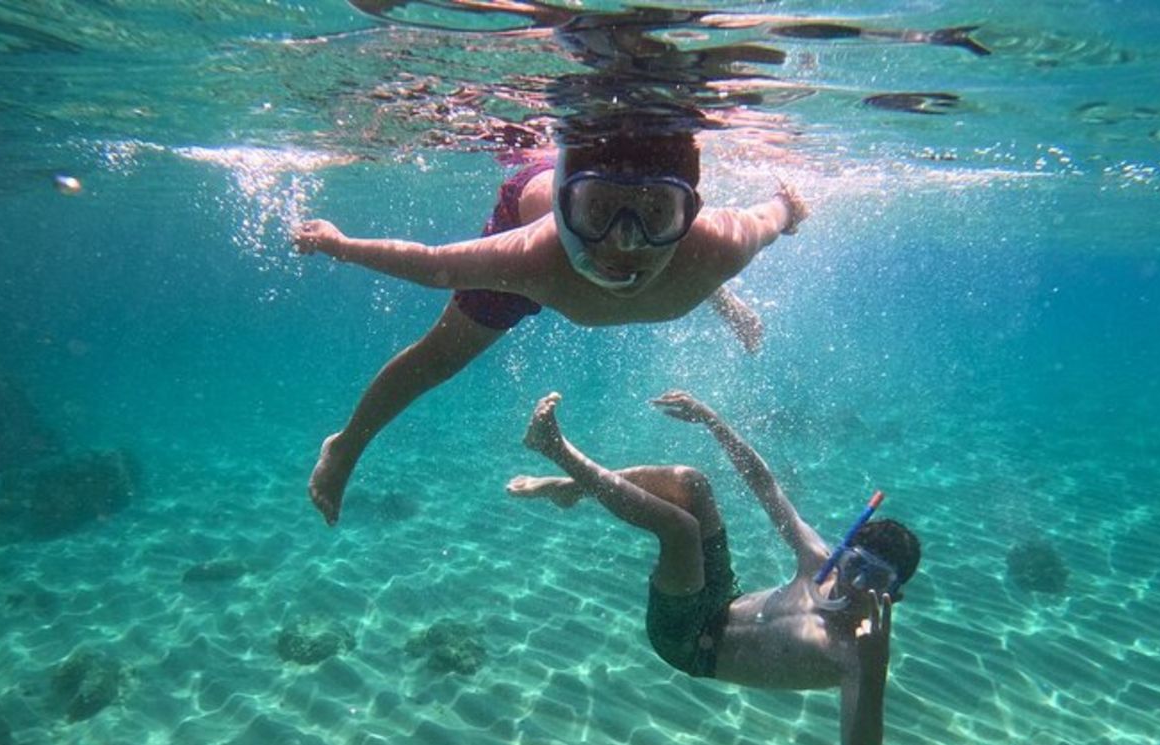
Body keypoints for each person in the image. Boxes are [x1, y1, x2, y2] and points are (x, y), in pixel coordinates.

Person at [294, 128, 808, 525]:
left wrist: (789, 207)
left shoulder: (718, 245)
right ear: (568, 209)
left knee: (675, 257)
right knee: (440, 357)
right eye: (598, 212)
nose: (624, 243)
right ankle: (345, 447)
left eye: (657, 214)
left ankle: (664, 246)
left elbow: (774, 215)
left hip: (646, 236)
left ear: (689, 213)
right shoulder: (531, 258)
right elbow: (434, 264)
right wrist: (342, 245)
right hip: (534, 210)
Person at [506, 389, 921, 745]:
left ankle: (555, 448)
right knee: (691, 482)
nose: (857, 583)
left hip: (687, 642)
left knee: (680, 529)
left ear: (893, 596)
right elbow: (766, 486)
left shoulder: (857, 655)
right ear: (843, 549)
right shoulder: (818, 563)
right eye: (856, 564)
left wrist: (875, 667)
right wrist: (713, 420)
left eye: (877, 578)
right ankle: (570, 489)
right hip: (721, 599)